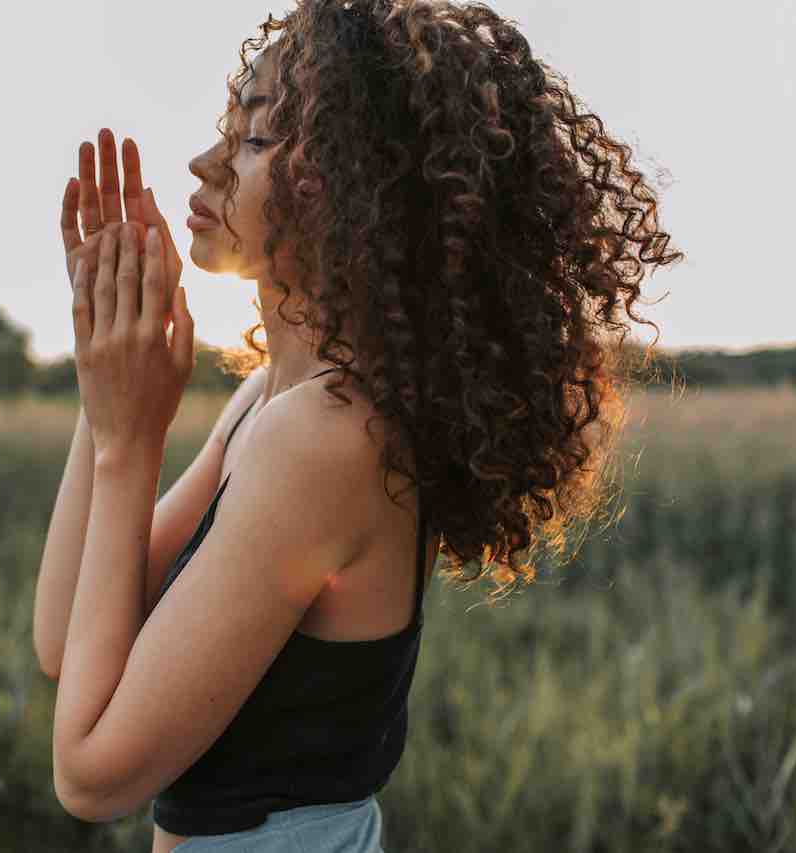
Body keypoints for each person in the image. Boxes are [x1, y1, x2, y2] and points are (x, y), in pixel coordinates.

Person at [35, 1, 685, 850]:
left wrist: (130, 444)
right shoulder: (270, 403)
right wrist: (109, 381)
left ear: (350, 182)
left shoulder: (329, 437)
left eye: (256, 139)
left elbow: (90, 773)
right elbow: (66, 643)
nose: (203, 161)